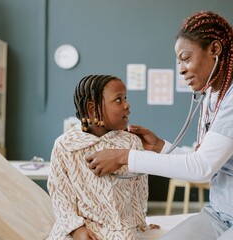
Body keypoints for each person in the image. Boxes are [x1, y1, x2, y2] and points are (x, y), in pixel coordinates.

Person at [85, 11, 233, 240]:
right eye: (179, 61)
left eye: (186, 58)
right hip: (222, 214)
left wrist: (124, 157)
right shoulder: (212, 94)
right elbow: (207, 160)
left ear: (215, 50)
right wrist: (161, 146)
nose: (180, 69)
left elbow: (202, 168)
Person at [47, 75, 159, 240]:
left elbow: (139, 192)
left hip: (120, 229)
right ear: (92, 109)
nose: (127, 106)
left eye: (125, 98)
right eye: (118, 100)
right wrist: (75, 229)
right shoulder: (65, 145)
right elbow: (60, 195)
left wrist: (140, 224)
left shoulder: (132, 142)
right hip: (79, 229)